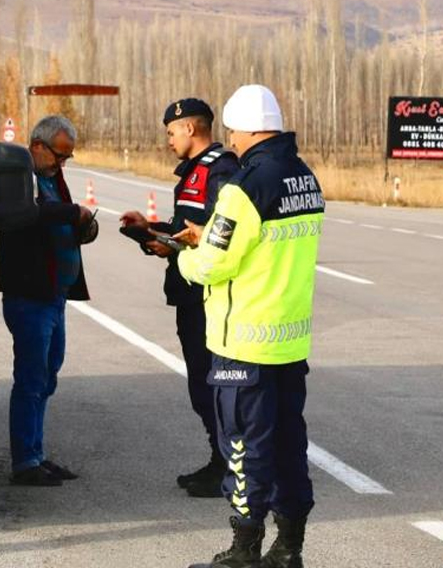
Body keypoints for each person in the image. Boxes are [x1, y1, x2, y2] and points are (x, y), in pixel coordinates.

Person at [176, 85, 323, 568]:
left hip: (244, 344)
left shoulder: (244, 186)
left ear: (247, 129)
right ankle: (289, 547)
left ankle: (244, 551)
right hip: (288, 341)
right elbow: (268, 249)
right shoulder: (305, 178)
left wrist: (185, 254)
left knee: (243, 448)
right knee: (287, 445)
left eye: (234, 133)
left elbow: (213, 265)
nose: (231, 142)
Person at [120, 98, 238, 498]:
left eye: (171, 131)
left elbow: (221, 231)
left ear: (190, 128)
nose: (168, 139)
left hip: (208, 295)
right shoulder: (194, 171)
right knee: (202, 386)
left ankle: (230, 467)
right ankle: (219, 459)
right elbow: (186, 227)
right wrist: (150, 230)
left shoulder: (220, 169)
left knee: (214, 384)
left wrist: (173, 245)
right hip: (189, 292)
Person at [0, 115, 97, 487]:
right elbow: (29, 214)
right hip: (29, 297)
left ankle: (36, 452)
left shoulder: (53, 178)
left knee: (47, 376)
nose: (62, 163)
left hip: (54, 296)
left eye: (67, 157)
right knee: (31, 378)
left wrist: (85, 225)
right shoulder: (18, 177)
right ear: (37, 146)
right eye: (59, 155)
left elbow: (62, 221)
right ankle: (25, 461)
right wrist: (75, 213)